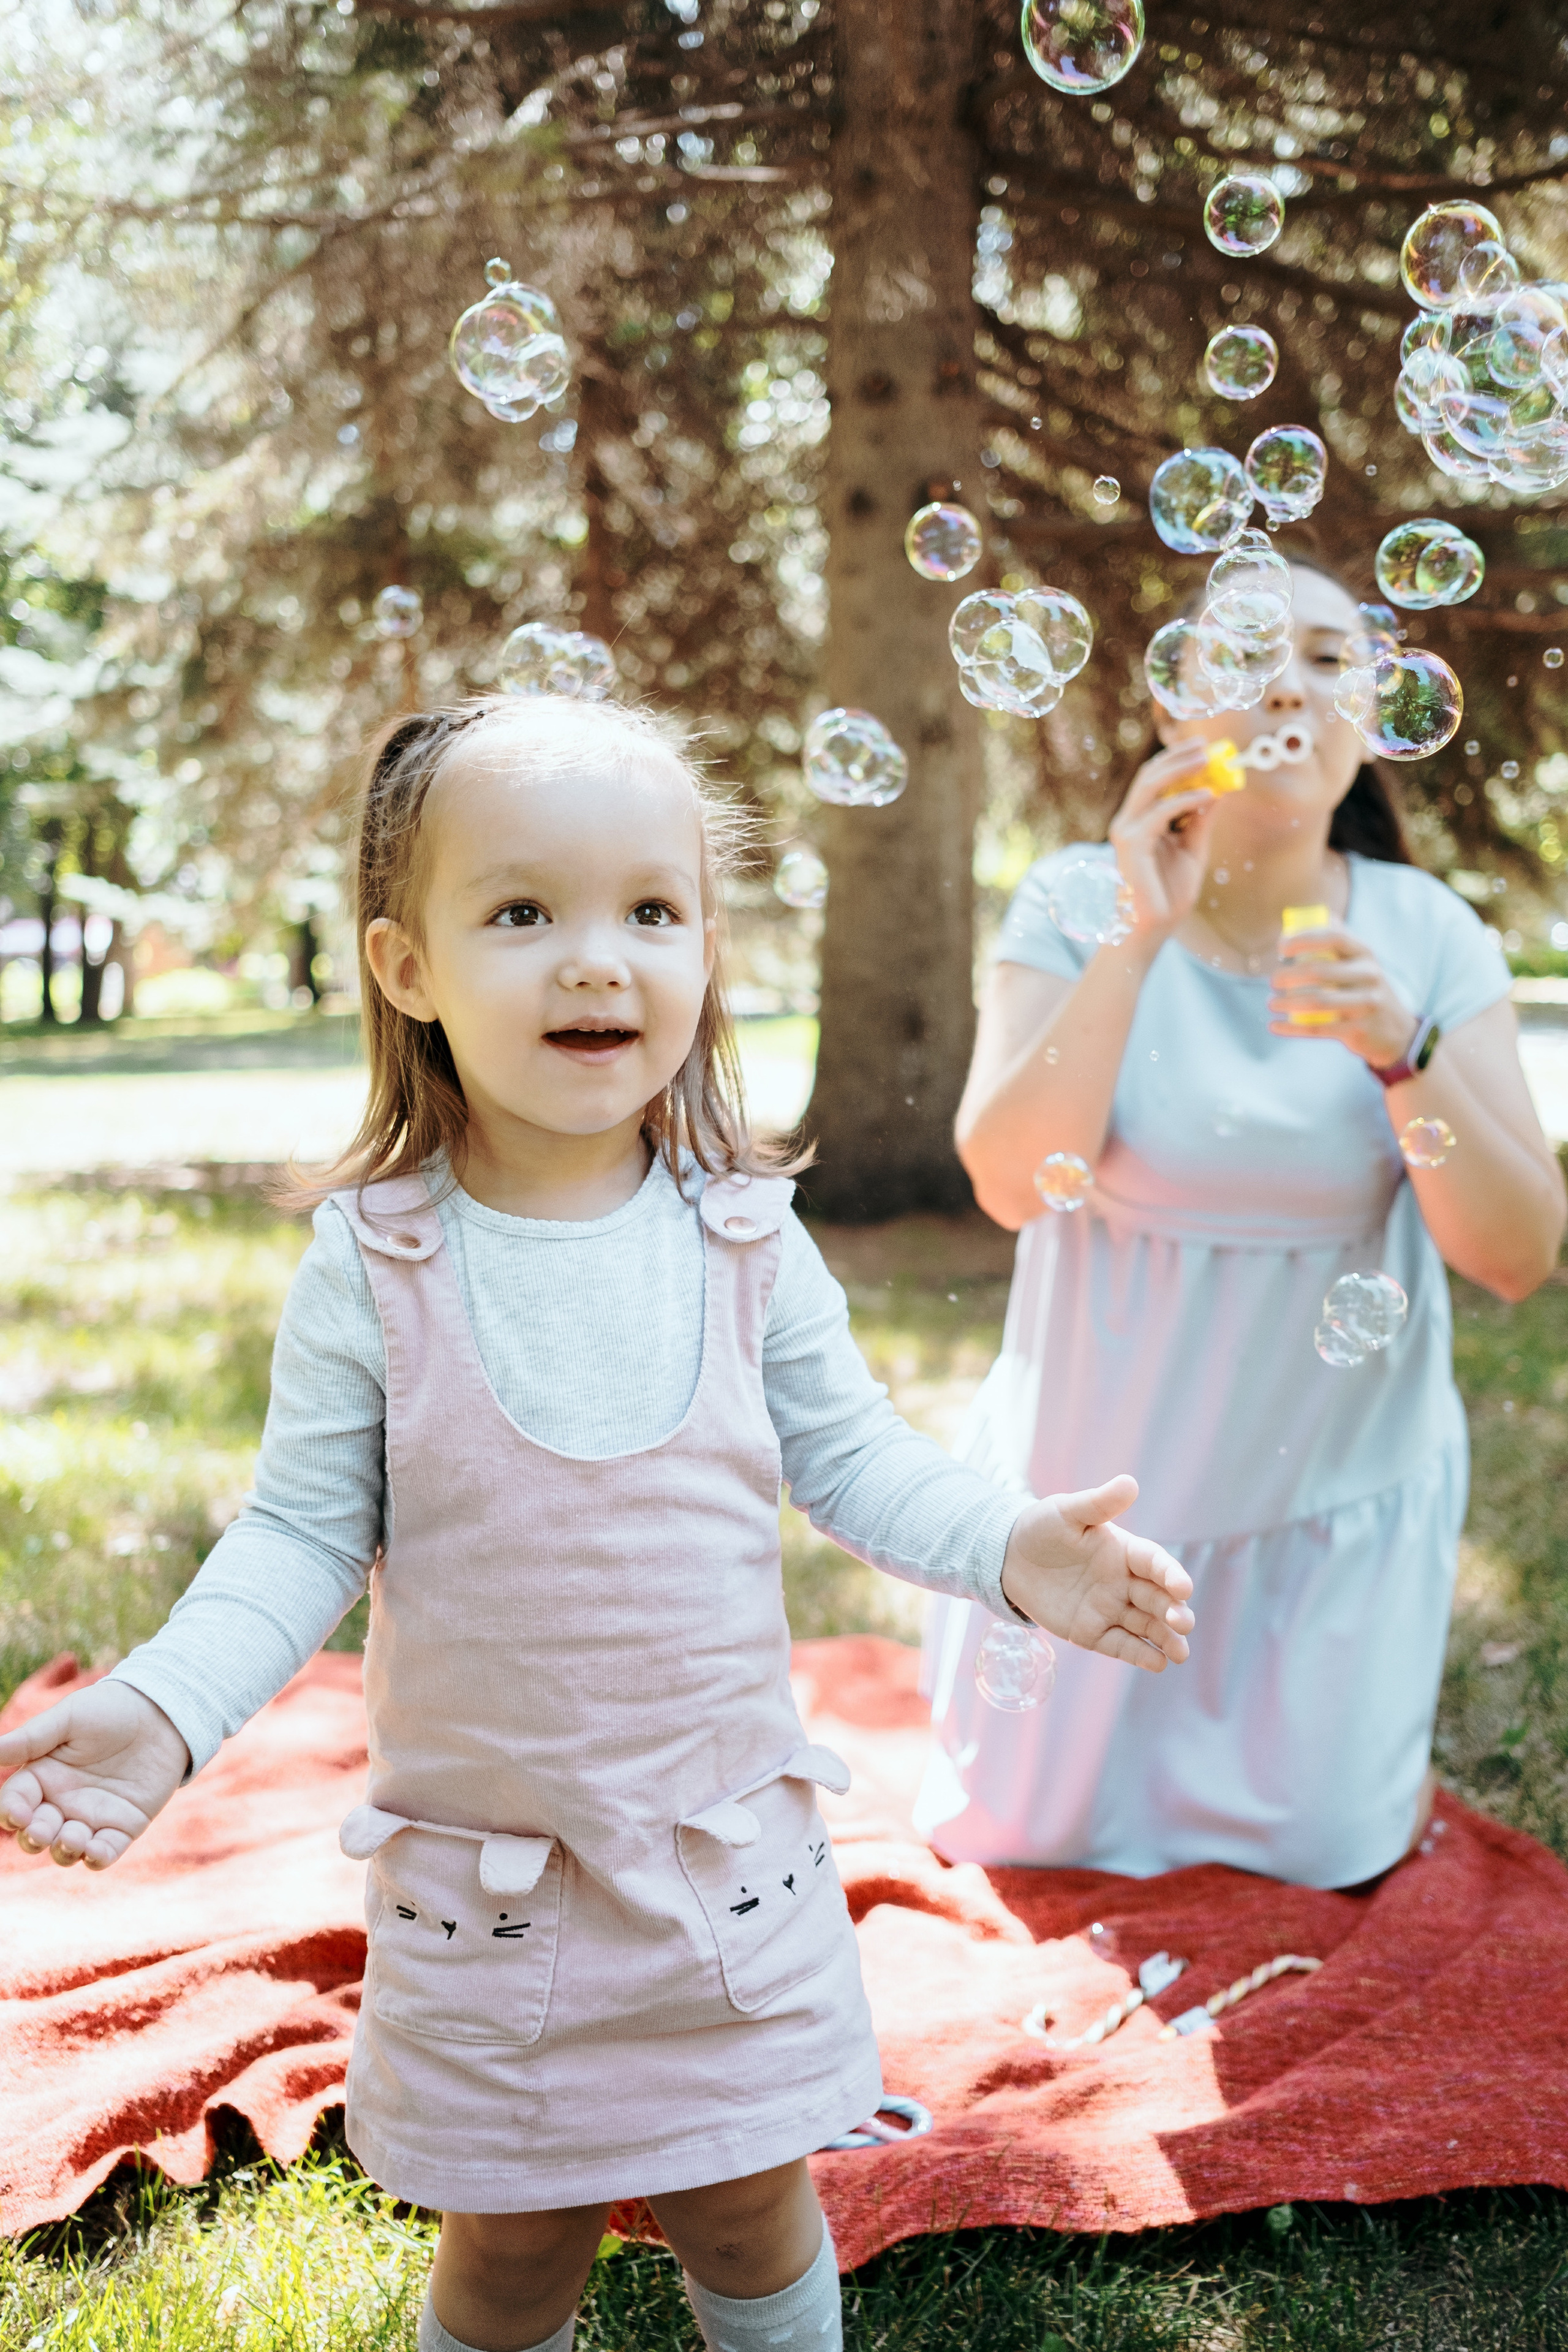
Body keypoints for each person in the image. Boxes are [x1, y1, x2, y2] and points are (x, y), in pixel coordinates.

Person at [0, 696, 1194, 2352]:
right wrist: (168, 1707)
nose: (595, 960)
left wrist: (1011, 1548)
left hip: (725, 1884)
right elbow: (294, 1537)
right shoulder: (380, 1264)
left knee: (750, 2206)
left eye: (651, 911)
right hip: (500, 1903)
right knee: (512, 2253)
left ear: (708, 950)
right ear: (406, 966)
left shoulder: (746, 1242)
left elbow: (853, 1459)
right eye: (521, 913)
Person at [923, 559, 1566, 1894]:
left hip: (1327, 1514)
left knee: (1322, 1859)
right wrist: (1130, 939)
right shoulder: (1070, 897)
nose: (1287, 682)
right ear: (1173, 712)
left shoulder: (1423, 934)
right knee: (1028, 1844)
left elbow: (1514, 1255)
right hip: (1095, 1504)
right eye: (1247, 653)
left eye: (1328, 658)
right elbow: (1004, 1176)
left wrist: (1407, 1052)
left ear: (1368, 716)